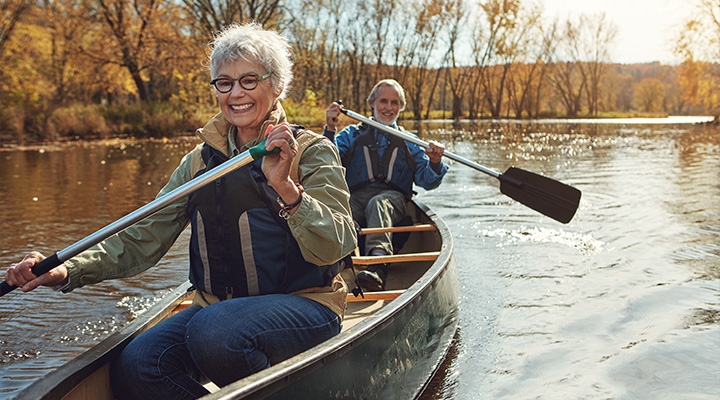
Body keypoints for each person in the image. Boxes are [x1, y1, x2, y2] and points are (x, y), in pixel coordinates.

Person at [4, 22, 356, 400]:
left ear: (278, 86)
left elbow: (338, 243)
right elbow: (141, 237)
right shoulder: (198, 163)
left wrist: (285, 188)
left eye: (249, 80)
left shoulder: (312, 149)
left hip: (305, 305)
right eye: (225, 82)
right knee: (139, 365)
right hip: (216, 313)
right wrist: (65, 270)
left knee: (215, 333)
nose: (236, 93)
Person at [324, 79, 448, 291]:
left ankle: (377, 265)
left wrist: (435, 162)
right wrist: (330, 128)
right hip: (356, 197)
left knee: (378, 203)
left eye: (395, 103)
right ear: (372, 103)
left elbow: (427, 181)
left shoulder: (410, 141)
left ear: (400, 107)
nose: (389, 108)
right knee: (339, 208)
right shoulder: (350, 135)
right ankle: (333, 265)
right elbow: (326, 162)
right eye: (383, 101)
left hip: (393, 200)